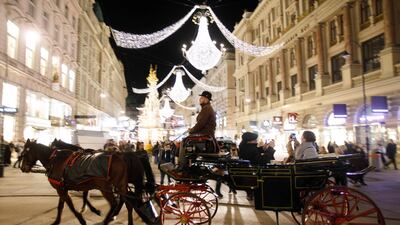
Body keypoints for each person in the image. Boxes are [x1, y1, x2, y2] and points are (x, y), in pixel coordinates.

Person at [178, 91, 217, 168]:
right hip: (206, 134)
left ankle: (182, 165)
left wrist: (191, 130)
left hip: (205, 134)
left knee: (185, 141)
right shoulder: (207, 108)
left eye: (201, 98)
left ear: (206, 99)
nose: (200, 99)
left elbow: (200, 124)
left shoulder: (206, 109)